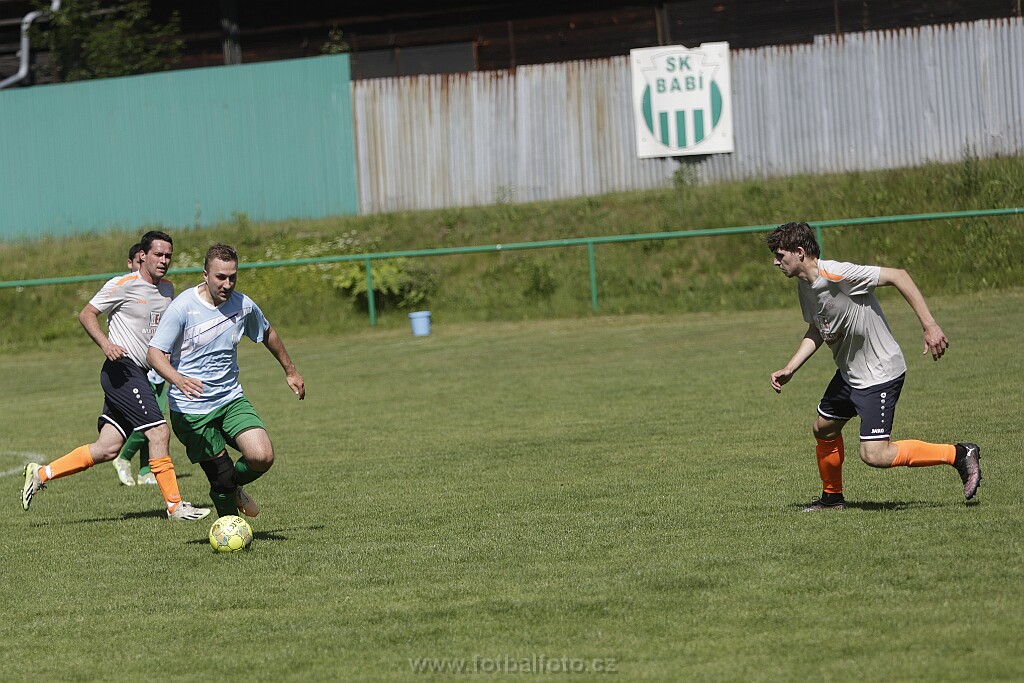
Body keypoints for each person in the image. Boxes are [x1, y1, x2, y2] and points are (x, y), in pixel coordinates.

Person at [766, 221, 981, 511]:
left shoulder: (838, 274)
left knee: (875, 454)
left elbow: (898, 275)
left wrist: (929, 325)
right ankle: (832, 499)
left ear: (800, 252)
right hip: (851, 373)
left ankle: (959, 454)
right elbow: (817, 328)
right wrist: (791, 367)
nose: (775, 262)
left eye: (780, 255)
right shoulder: (805, 286)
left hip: (879, 373)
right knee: (824, 428)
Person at [21, 231, 211, 522]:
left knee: (107, 449)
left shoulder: (168, 289)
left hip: (141, 372)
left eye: (168, 256)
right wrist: (106, 344)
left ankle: (41, 473)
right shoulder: (123, 285)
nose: (164, 260)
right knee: (159, 432)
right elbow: (87, 314)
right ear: (142, 256)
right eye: (158, 254)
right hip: (121, 370)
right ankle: (175, 507)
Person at [147, 243, 305, 520]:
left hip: (230, 399)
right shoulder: (183, 307)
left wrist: (290, 371)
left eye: (233, 277)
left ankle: (230, 485)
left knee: (262, 457)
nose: (227, 284)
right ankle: (229, 523)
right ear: (205, 274)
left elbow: (268, 333)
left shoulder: (243, 305)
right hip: (191, 410)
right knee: (221, 475)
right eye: (221, 277)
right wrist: (178, 379)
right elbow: (154, 353)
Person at [111, 242, 165, 486]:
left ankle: (145, 471)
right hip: (134, 369)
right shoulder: (125, 288)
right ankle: (124, 457)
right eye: (137, 262)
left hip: (159, 366)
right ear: (132, 262)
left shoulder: (162, 291)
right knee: (153, 421)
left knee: (155, 418)